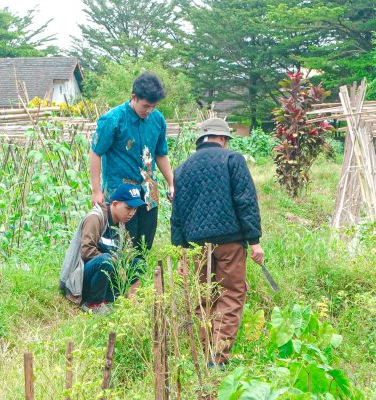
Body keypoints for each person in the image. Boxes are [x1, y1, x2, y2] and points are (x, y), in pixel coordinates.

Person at [170, 117, 264, 367]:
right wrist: (254, 241)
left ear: (201, 139)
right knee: (230, 295)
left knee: (204, 298)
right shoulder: (232, 159)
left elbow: (176, 216)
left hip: (196, 246)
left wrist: (182, 254)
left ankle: (204, 351)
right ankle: (218, 357)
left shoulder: (182, 169)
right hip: (229, 243)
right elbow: (246, 202)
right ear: (222, 139)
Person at [89, 72, 174, 253]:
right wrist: (96, 191)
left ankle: (141, 271)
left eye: (153, 106)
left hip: (149, 190)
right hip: (121, 191)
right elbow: (95, 153)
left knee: (145, 244)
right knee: (122, 245)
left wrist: (172, 183)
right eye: (145, 106)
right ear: (134, 97)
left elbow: (161, 154)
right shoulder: (113, 120)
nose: (149, 111)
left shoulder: (158, 119)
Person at [60, 183, 146, 314]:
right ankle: (93, 304)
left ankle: (127, 301)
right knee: (107, 260)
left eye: (134, 209)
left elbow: (128, 254)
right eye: (128, 208)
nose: (131, 213)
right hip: (79, 279)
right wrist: (116, 262)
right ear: (115, 204)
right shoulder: (96, 218)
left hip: (105, 275)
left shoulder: (121, 225)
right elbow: (86, 251)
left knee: (138, 263)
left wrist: (124, 263)